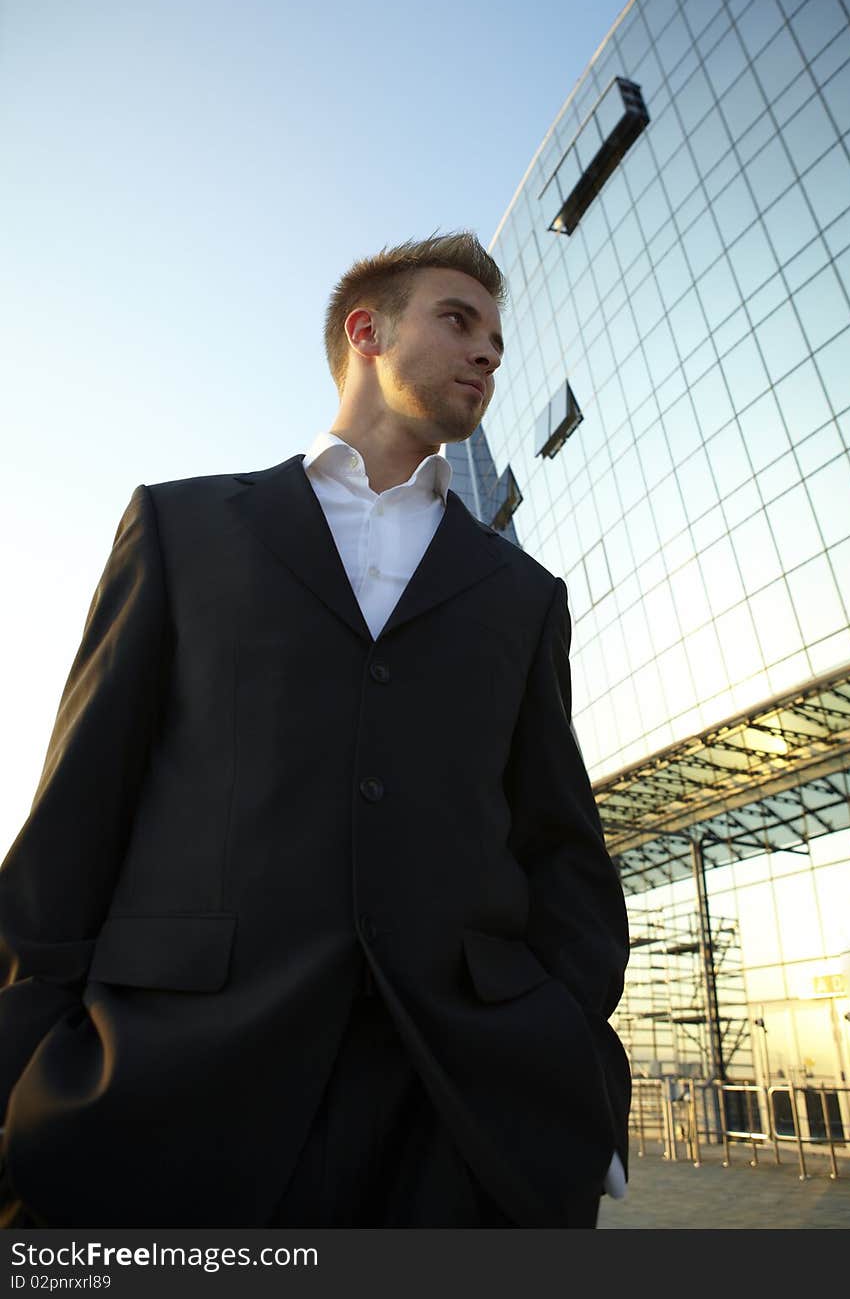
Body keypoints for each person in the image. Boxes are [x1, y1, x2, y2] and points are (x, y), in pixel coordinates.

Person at [0, 232, 630, 1228]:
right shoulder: (183, 528)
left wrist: (573, 1069)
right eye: (458, 320)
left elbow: (561, 850)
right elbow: (76, 817)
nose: (489, 354)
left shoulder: (523, 592)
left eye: (498, 340)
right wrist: (22, 1077)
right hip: (171, 1095)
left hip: (454, 1116)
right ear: (366, 331)